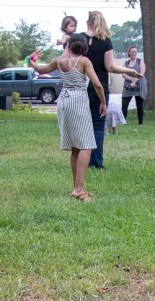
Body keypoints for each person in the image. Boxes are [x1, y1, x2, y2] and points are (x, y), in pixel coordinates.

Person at [29, 34, 106, 202]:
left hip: (63, 101)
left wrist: (31, 59)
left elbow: (41, 70)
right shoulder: (84, 61)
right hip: (78, 100)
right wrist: (103, 103)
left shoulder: (59, 60)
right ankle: (79, 189)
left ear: (69, 44)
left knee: (75, 147)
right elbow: (98, 84)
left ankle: (77, 187)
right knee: (86, 145)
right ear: (84, 46)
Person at [81, 11, 142, 169]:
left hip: (81, 85)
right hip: (98, 86)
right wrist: (129, 70)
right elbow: (110, 66)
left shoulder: (79, 39)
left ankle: (83, 161)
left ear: (88, 22)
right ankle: (96, 162)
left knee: (84, 125)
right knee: (99, 125)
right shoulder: (105, 41)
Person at [121, 46, 146, 125]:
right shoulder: (125, 63)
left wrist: (135, 81)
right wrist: (132, 80)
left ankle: (140, 123)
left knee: (139, 105)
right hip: (128, 86)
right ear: (129, 53)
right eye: (132, 52)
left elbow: (142, 73)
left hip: (138, 85)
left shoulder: (140, 61)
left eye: (135, 52)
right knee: (124, 104)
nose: (134, 53)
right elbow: (123, 74)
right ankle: (123, 122)